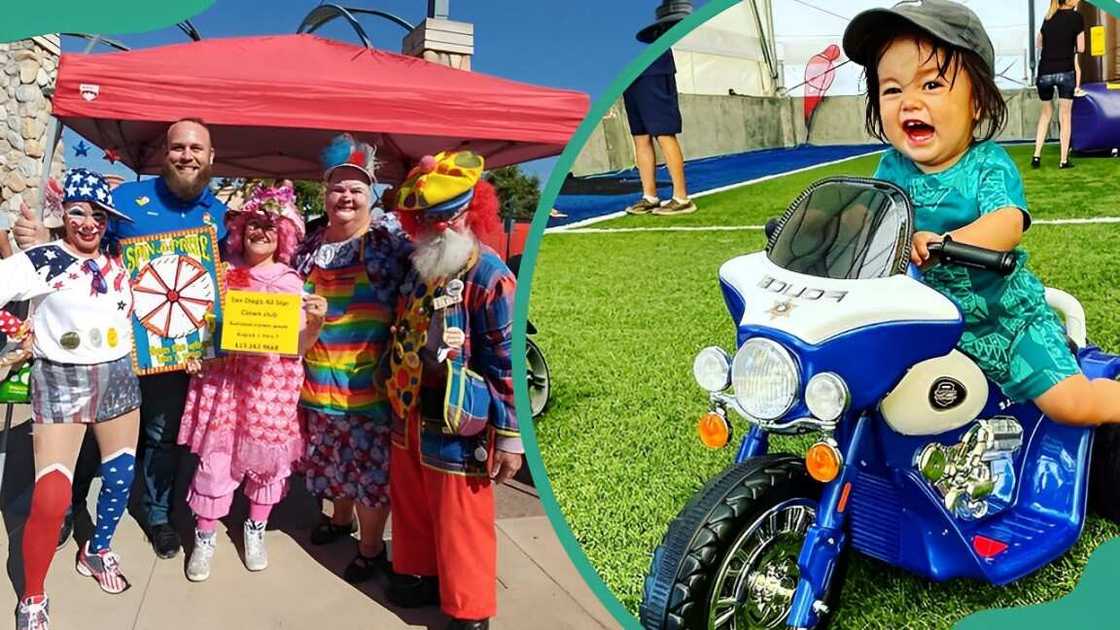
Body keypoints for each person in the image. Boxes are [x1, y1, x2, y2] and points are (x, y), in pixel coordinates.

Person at [843, 0, 1120, 424]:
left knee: (1073, 406)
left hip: (1004, 322)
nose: (909, 102)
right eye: (893, 89)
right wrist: (833, 225)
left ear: (976, 103)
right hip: (925, 327)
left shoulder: (985, 164)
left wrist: (942, 244)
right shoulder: (892, 168)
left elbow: (1006, 223)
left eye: (931, 85)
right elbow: (869, 215)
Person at [12, 118, 229, 559]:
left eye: (196, 149)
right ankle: (69, 508)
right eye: (178, 147)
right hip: (111, 348)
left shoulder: (221, 215)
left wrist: (206, 344)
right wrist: (40, 239)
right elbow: (82, 242)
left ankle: (158, 515)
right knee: (92, 438)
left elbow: (219, 283)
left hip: (176, 350)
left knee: (160, 437)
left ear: (210, 158)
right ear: (164, 154)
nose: (186, 156)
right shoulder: (126, 198)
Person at [385, 151, 522, 630]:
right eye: (428, 216)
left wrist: (509, 437)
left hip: (458, 415)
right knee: (413, 501)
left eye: (450, 213)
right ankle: (418, 574)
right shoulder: (416, 265)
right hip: (408, 407)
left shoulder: (489, 275)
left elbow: (506, 362)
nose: (438, 225)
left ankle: (469, 608)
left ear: (473, 210)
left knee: (461, 515)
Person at [1, 169, 140, 630]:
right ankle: (34, 596)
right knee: (52, 496)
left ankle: (96, 552)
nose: (87, 222)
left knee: (120, 476)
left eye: (97, 214)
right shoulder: (42, 260)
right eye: (78, 211)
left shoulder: (121, 261)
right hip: (60, 381)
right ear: (63, 213)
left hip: (119, 376)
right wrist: (13, 332)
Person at [178, 183, 326, 581]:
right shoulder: (222, 275)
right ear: (240, 230)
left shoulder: (292, 283)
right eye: (254, 225)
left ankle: (255, 529)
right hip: (225, 381)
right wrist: (196, 356)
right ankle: (205, 536)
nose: (261, 232)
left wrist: (315, 322)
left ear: (284, 236)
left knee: (266, 465)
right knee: (216, 461)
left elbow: (299, 345)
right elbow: (202, 330)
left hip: (271, 384)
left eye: (270, 227)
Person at [290, 133, 411, 583]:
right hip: (318, 383)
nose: (346, 196)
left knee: (369, 473)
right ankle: (339, 520)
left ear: (370, 196)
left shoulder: (388, 244)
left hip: (368, 388)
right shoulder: (307, 246)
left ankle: (370, 547)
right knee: (328, 461)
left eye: (356, 189)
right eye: (338, 187)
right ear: (326, 192)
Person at [623, 1, 696, 217]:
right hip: (629, 73)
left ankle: (682, 198)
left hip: (653, 67)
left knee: (663, 132)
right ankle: (650, 196)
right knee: (640, 136)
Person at [1031, 0, 1086, 170]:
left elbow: (1038, 43)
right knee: (1065, 116)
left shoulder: (1048, 17)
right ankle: (1063, 160)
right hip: (1065, 71)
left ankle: (1036, 156)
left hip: (1045, 72)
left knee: (1046, 112)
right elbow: (1081, 48)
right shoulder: (1077, 17)